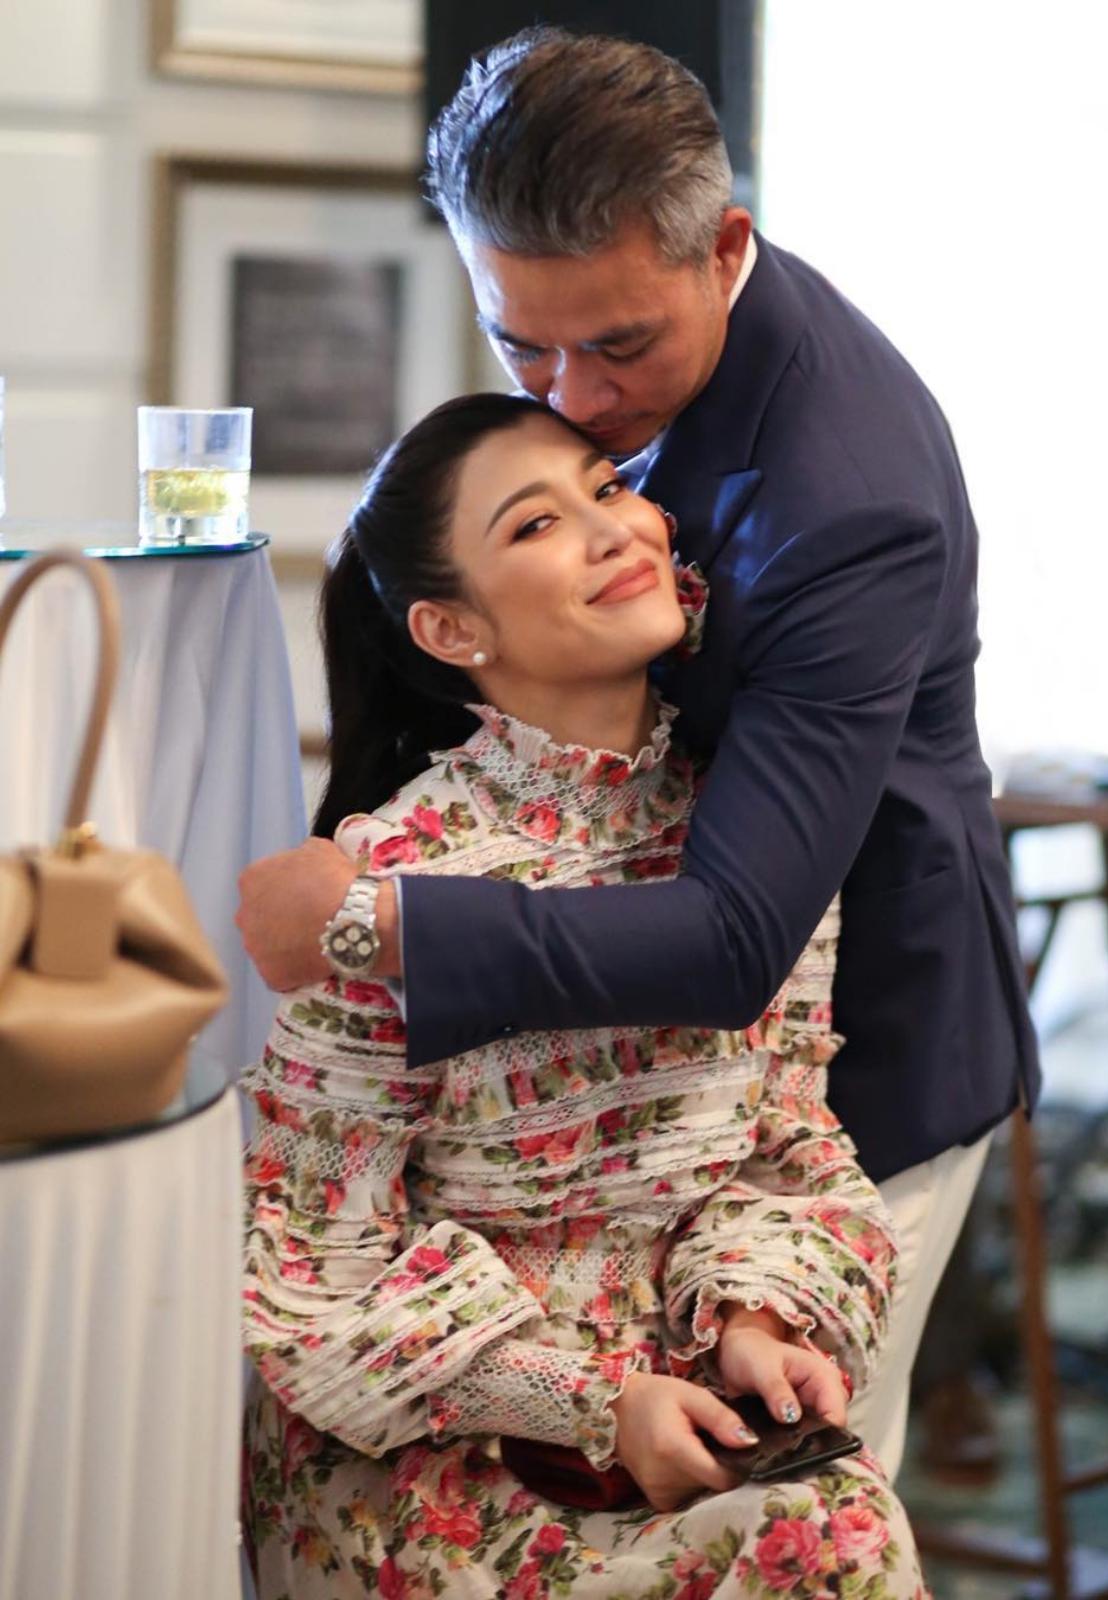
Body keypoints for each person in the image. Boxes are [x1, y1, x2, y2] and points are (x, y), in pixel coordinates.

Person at [236, 28, 1040, 1479]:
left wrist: (373, 921)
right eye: (518, 345)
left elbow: (734, 940)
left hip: (844, 1052)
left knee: (796, 1496)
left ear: (722, 249)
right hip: (625, 1110)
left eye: (616, 348)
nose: (571, 399)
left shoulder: (846, 499)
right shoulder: (609, 372)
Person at [240, 392, 928, 1599]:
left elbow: (782, 1146)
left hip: (688, 1393)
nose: (615, 528)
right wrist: (596, 1404)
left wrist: (756, 1327)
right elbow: (316, 1266)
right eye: (536, 524)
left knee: (836, 1529)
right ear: (449, 627)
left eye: (608, 488)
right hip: (441, 1443)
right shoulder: (383, 883)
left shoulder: (755, 843)